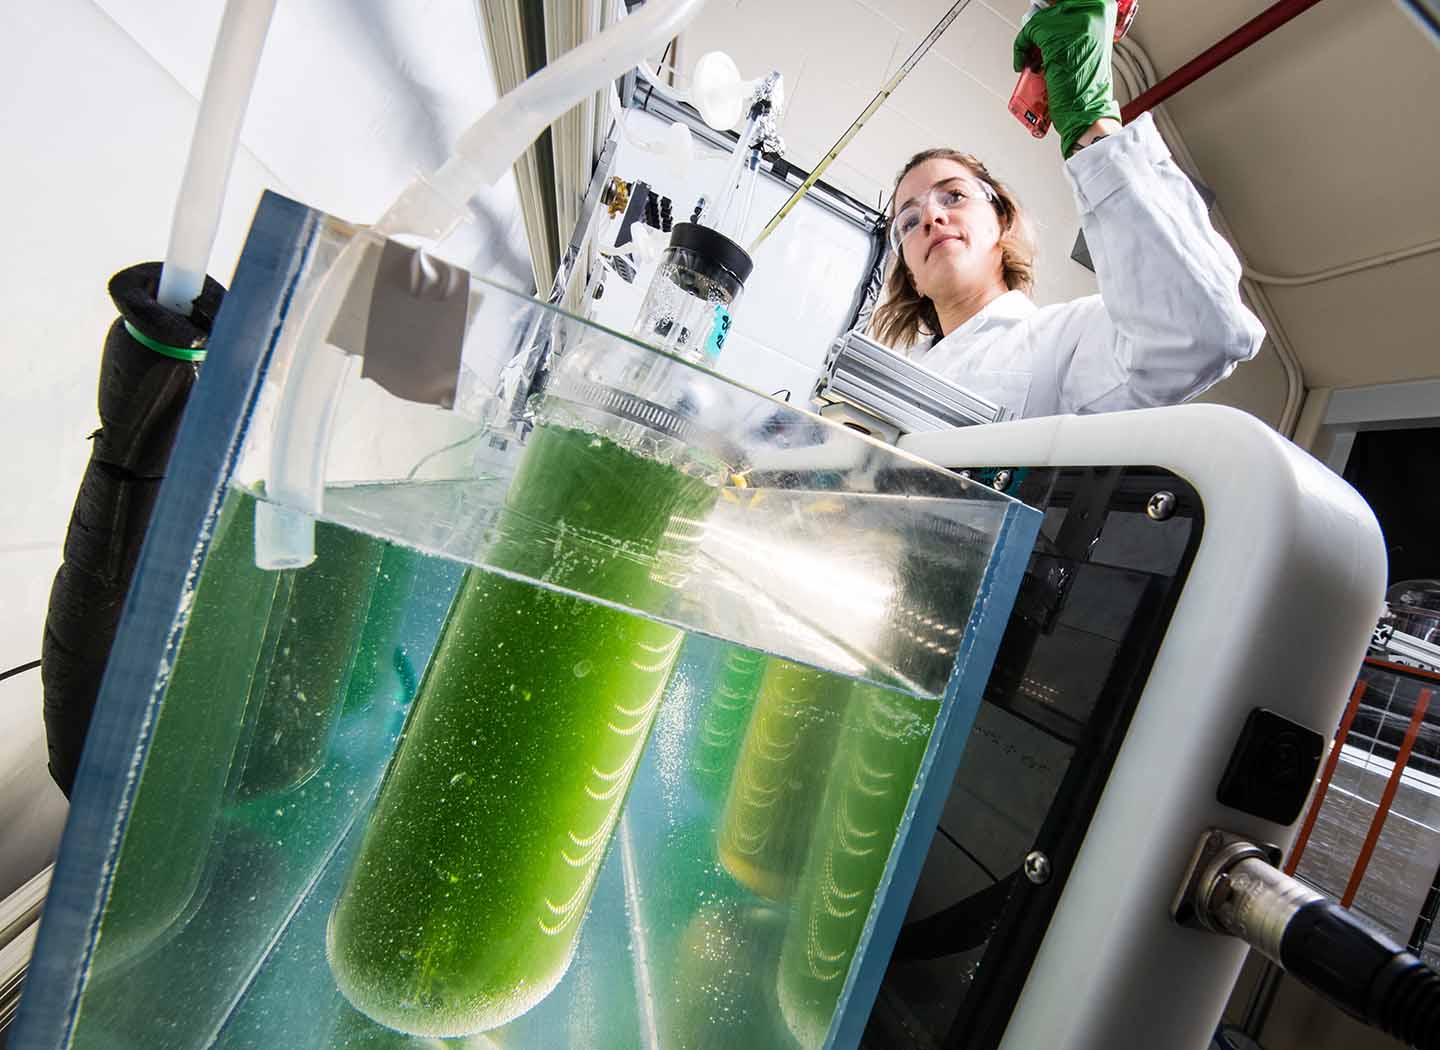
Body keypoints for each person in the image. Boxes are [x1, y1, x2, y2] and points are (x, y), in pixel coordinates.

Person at [870, 0, 1265, 420]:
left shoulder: (1064, 339)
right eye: (909, 221)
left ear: (1001, 220)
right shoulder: (894, 382)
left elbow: (1201, 333)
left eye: (953, 196)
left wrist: (1091, 121)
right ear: (911, 274)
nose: (932, 218)